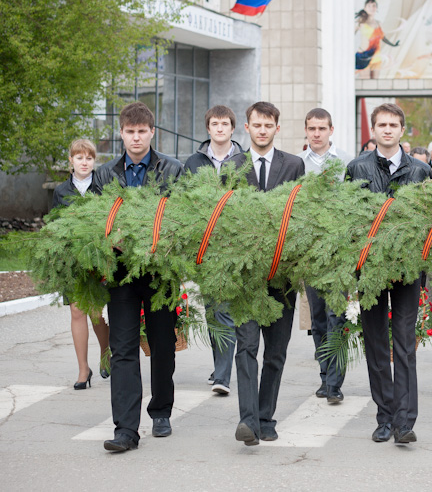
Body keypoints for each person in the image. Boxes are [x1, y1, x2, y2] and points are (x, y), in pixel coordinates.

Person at [91, 102, 184, 452]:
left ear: (151, 132)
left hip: (160, 274)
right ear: (121, 133)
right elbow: (94, 219)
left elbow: (181, 218)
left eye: (142, 131)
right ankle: (126, 429)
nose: (136, 138)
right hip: (121, 277)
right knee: (123, 349)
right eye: (130, 132)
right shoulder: (104, 174)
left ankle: (161, 410)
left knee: (162, 345)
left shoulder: (171, 170)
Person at [345, 103, 432, 444]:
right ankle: (384, 416)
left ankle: (405, 421)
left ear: (402, 129)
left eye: (393, 124)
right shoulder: (356, 168)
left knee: (405, 344)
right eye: (381, 124)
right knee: (378, 344)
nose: (387, 129)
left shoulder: (421, 171)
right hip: (369, 270)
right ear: (373, 129)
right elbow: (347, 219)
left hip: (408, 269)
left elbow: (429, 222)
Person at [229, 102, 306, 446]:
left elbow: (302, 212)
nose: (262, 130)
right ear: (246, 127)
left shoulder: (294, 164)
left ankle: (265, 416)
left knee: (275, 351)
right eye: (256, 125)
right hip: (245, 278)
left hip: (283, 276)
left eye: (268, 125)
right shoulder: (231, 166)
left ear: (277, 127)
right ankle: (247, 420)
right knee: (245, 347)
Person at [184, 105, 246, 396]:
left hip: (235, 245)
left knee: (224, 310)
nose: (220, 128)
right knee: (211, 310)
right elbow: (185, 200)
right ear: (207, 128)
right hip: (204, 247)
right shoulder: (194, 162)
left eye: (225, 123)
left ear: (233, 128)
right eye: (214, 123)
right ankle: (218, 366)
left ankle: (223, 375)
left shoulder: (244, 161)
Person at [297, 108, 352, 403]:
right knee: (317, 319)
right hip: (310, 254)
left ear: (332, 129)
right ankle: (324, 374)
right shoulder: (297, 164)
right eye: (312, 128)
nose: (316, 133)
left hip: (338, 253)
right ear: (305, 131)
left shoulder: (346, 162)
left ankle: (335, 382)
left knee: (337, 316)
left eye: (322, 128)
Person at [51, 139, 110, 390]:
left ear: (93, 161)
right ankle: (83, 369)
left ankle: (106, 354)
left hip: (97, 259)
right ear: (71, 161)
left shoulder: (104, 186)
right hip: (73, 262)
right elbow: (55, 225)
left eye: (88, 158)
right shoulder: (61, 192)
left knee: (96, 313)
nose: (84, 162)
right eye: (79, 157)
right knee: (77, 312)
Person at [355, 0, 400, 78]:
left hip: (376, 57)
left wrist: (393, 44)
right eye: (369, 6)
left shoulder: (379, 23)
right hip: (363, 57)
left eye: (374, 5)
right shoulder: (361, 22)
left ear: (376, 8)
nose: (372, 8)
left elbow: (383, 37)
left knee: (375, 83)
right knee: (366, 82)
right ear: (365, 8)